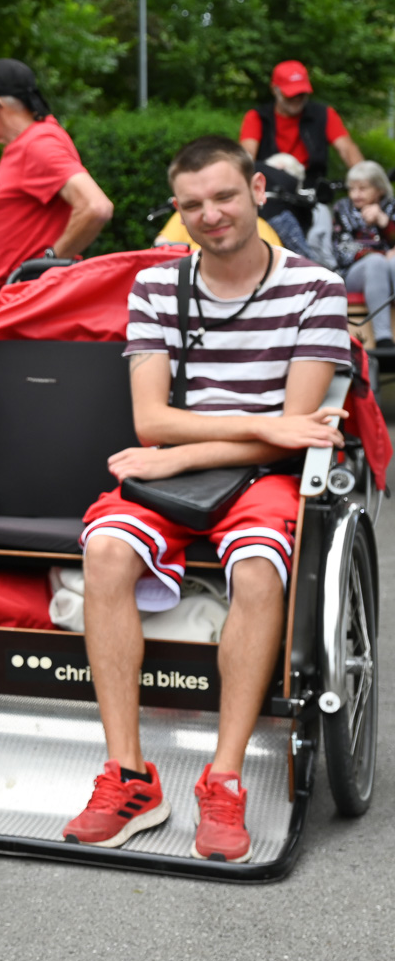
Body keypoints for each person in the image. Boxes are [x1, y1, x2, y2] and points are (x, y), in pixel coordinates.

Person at [62, 136, 347, 863]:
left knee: (257, 570)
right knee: (105, 551)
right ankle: (129, 777)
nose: (211, 214)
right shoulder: (158, 286)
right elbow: (151, 420)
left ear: (258, 191)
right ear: (177, 211)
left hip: (263, 476)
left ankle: (224, 779)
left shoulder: (316, 289)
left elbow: (296, 434)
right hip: (178, 472)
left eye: (224, 196)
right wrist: (253, 426)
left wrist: (185, 451)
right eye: (193, 205)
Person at [0, 58, 115, 288]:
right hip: (21, 292)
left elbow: (96, 207)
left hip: (29, 293)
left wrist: (45, 266)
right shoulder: (30, 142)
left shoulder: (37, 144)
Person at [238, 59, 364, 175]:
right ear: (275, 90)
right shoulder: (257, 117)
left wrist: (364, 177)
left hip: (311, 186)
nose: (296, 99)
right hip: (270, 185)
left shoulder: (324, 114)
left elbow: (347, 149)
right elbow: (247, 155)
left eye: (301, 93)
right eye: (290, 94)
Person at [334, 159, 395, 346]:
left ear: (379, 190)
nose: (355, 194)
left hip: (390, 268)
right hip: (354, 273)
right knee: (376, 262)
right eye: (352, 189)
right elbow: (342, 251)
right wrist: (379, 254)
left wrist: (384, 222)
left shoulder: (392, 207)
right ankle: (384, 340)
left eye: (362, 189)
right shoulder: (342, 208)